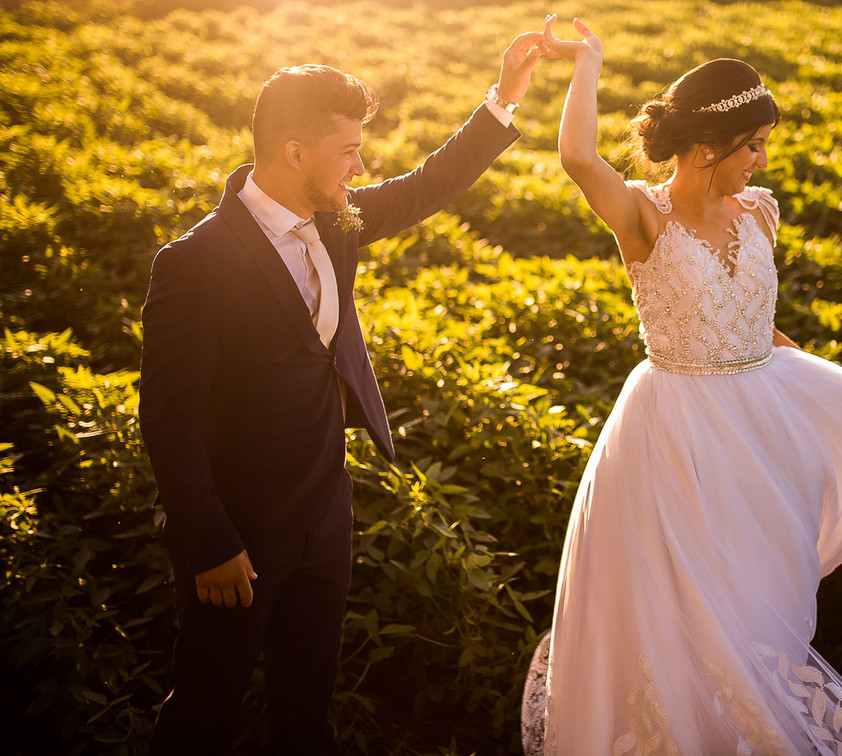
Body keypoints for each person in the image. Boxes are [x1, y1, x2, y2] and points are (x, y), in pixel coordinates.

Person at [520, 16, 842, 755]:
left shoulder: (759, 213)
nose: (762, 158)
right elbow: (578, 156)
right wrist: (588, 60)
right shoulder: (644, 217)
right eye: (754, 144)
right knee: (685, 608)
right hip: (672, 435)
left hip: (759, 428)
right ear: (707, 147)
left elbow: (761, 328)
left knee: (753, 606)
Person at [139, 32, 544, 755]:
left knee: (306, 707)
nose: (362, 166)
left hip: (325, 517)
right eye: (349, 150)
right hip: (240, 536)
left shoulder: (338, 215)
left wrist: (504, 97)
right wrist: (209, 543)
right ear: (295, 153)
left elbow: (427, 185)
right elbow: (169, 419)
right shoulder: (194, 263)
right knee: (204, 708)